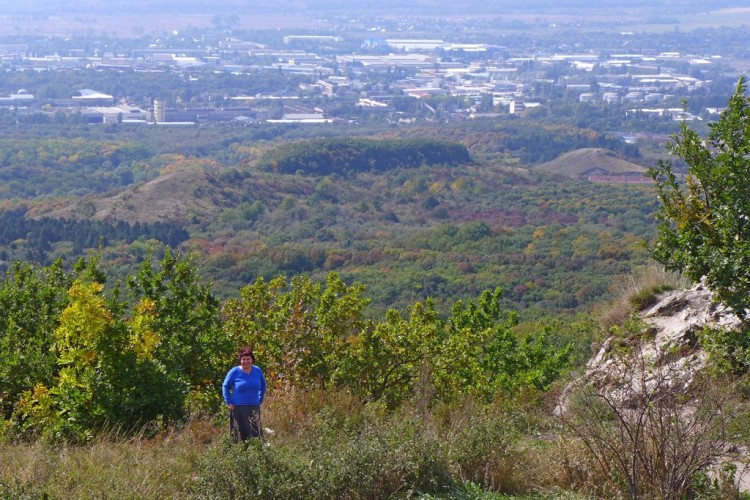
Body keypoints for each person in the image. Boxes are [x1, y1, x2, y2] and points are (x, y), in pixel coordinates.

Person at [222, 346, 266, 442]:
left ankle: (257, 452)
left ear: (252, 360)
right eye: (243, 359)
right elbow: (225, 386)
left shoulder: (257, 370)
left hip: (254, 406)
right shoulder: (234, 371)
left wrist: (260, 397)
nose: (246, 361)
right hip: (238, 407)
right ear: (240, 360)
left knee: (256, 431)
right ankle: (240, 453)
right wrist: (229, 402)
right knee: (239, 433)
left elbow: (263, 385)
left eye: (248, 359)